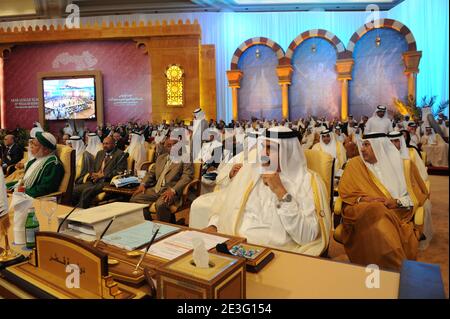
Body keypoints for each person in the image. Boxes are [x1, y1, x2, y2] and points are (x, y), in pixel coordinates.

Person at [203, 127, 331, 256]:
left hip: (277, 255)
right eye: (263, 147)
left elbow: (306, 236)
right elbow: (225, 203)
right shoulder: (250, 171)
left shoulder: (308, 182)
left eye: (270, 148)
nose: (263, 154)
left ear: (288, 152)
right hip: (234, 245)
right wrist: (214, 225)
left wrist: (281, 192)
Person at [338, 133, 429, 270]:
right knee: (376, 211)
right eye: (362, 145)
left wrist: (396, 202)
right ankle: (397, 270)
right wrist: (363, 199)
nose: (362, 149)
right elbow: (347, 193)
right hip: (362, 213)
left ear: (379, 146)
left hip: (396, 213)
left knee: (380, 218)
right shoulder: (355, 165)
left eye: (367, 145)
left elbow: (418, 196)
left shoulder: (404, 166)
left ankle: (386, 270)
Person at [130, 137, 193, 223]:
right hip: (156, 189)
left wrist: (173, 190)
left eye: (174, 145)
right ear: (165, 147)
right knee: (135, 198)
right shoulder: (161, 158)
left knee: (161, 204)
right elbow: (151, 173)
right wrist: (143, 184)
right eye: (169, 145)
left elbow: (187, 177)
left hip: (172, 191)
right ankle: (148, 222)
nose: (172, 148)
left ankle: (164, 228)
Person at [388, 131, 432, 250]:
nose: (393, 144)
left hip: (410, 190)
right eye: (390, 141)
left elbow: (422, 176)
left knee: (424, 206)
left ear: (401, 142)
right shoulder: (384, 158)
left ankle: (414, 236)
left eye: (396, 141)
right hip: (389, 191)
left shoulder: (411, 153)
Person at [71, 136, 127, 208]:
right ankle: (74, 211)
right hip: (95, 180)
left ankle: (82, 213)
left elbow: (120, 172)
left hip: (107, 182)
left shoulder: (120, 154)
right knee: (74, 190)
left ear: (114, 144)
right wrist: (93, 174)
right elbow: (92, 168)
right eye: (103, 144)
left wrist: (103, 175)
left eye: (107, 144)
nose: (104, 146)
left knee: (87, 191)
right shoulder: (100, 153)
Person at [7, 132, 64, 198]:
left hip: (36, 199)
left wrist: (18, 190)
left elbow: (44, 189)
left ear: (46, 150)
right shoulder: (35, 160)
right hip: (24, 192)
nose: (31, 147)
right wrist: (7, 186)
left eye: (35, 145)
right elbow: (25, 181)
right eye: (31, 143)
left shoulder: (53, 164)